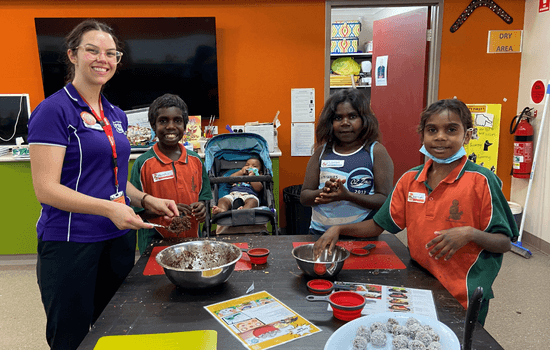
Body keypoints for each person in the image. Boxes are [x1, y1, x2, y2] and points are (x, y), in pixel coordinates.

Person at [27, 20, 179, 350]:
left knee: (116, 330)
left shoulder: (115, 115)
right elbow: (46, 188)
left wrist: (146, 199)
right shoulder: (53, 111)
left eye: (111, 53)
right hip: (71, 241)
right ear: (72, 54)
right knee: (72, 337)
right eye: (92, 50)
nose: (103, 59)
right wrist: (110, 208)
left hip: (118, 240)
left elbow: (113, 178)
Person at [313, 98, 519, 325]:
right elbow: (378, 225)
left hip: (464, 293)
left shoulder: (482, 181)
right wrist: (339, 228)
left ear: (467, 135)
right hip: (422, 283)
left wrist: (470, 234)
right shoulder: (410, 179)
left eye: (451, 130)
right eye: (432, 130)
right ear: (422, 135)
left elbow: (504, 242)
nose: (440, 137)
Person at [300, 88, 394, 236]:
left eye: (352, 116)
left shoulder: (375, 152)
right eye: (338, 118)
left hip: (361, 236)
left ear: (364, 119)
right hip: (319, 233)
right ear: (330, 122)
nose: (345, 123)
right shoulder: (322, 152)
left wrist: (347, 195)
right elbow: (304, 197)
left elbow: (384, 200)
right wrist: (325, 192)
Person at [130, 93, 212, 253]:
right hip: (155, 245)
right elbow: (136, 211)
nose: (171, 126)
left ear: (185, 126)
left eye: (177, 121)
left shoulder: (196, 161)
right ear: (153, 126)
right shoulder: (143, 164)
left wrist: (203, 208)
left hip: (192, 241)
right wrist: (162, 211)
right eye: (163, 121)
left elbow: (205, 198)